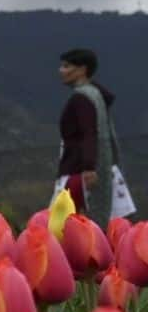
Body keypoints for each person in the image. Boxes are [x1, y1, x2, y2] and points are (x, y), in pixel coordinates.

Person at [54, 48, 135, 227]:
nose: (61, 70)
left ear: (82, 69)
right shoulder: (95, 95)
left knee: (65, 224)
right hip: (93, 167)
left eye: (67, 66)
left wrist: (89, 166)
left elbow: (89, 132)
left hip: (77, 170)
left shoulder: (82, 99)